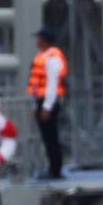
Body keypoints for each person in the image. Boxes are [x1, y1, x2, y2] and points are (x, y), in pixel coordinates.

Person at [30, 27, 68, 179]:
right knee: (46, 137)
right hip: (42, 100)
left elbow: (53, 84)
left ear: (44, 40)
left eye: (39, 38)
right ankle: (51, 168)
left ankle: (55, 169)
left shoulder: (53, 58)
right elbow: (37, 84)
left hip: (49, 102)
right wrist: (36, 105)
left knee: (52, 137)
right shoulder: (43, 56)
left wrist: (47, 107)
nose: (37, 41)